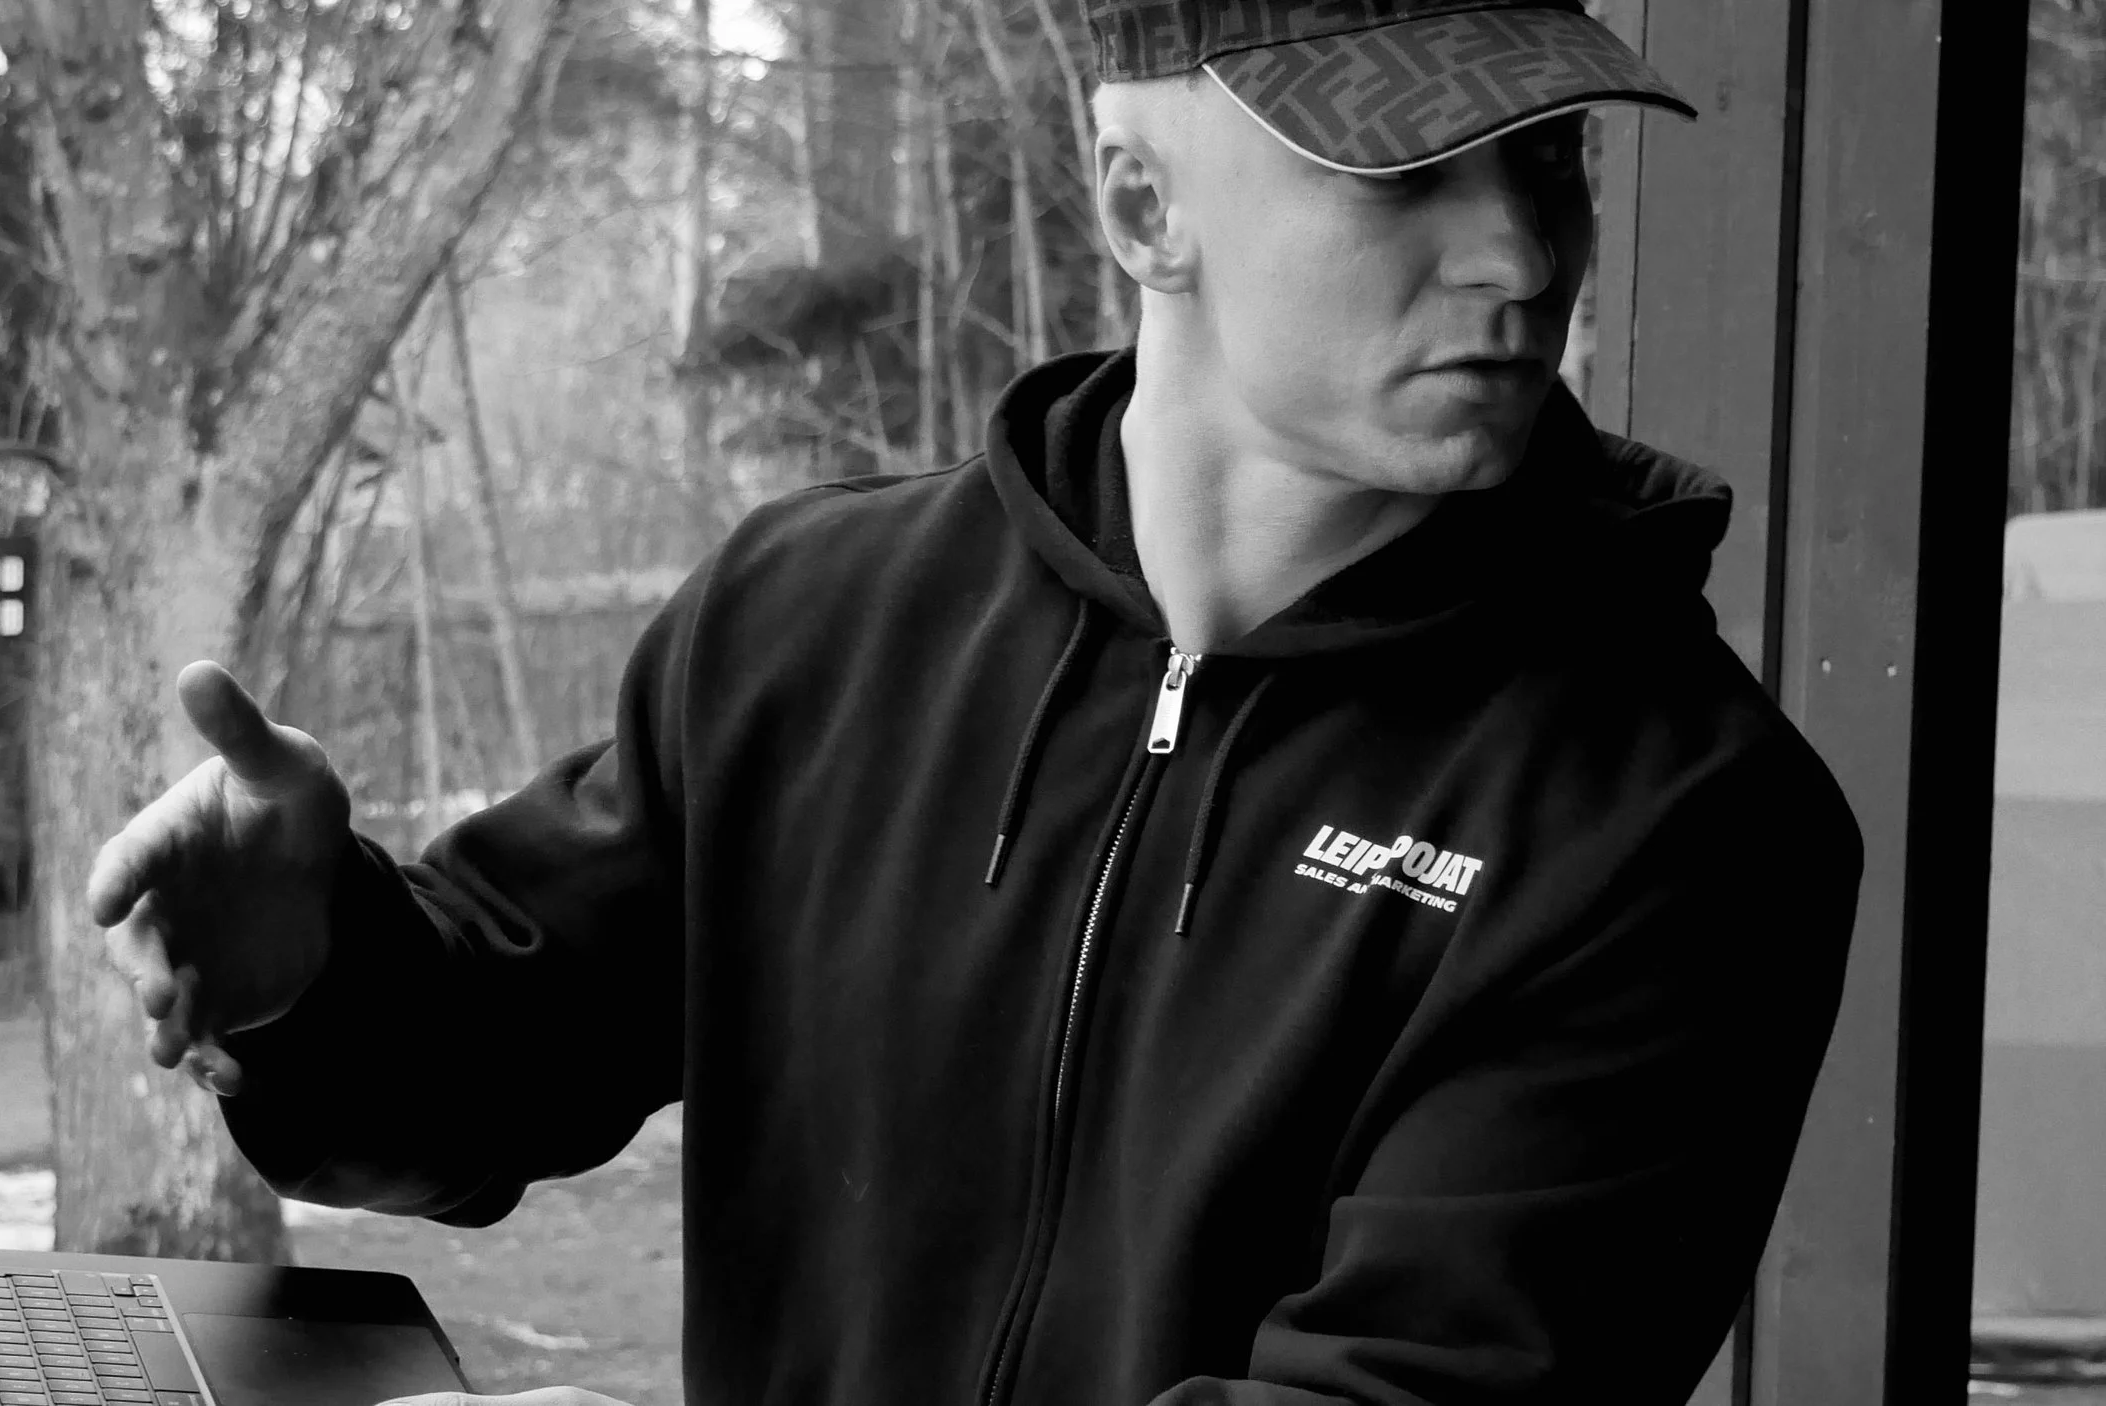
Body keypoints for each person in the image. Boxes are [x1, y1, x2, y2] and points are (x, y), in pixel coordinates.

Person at [91, 3, 1864, 1403]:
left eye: (1547, 156)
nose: (1525, 256)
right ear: (1142, 206)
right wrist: (315, 971)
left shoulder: (1674, 820)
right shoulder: (815, 623)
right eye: (1408, 173)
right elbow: (489, 1061)